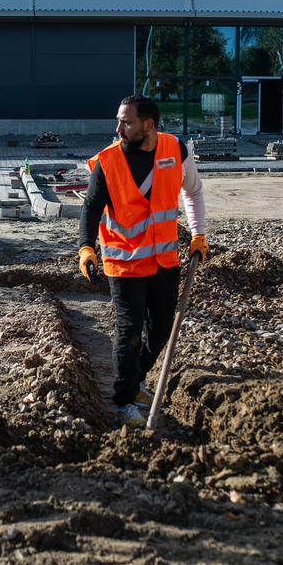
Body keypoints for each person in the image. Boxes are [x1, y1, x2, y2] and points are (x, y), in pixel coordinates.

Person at [78, 95, 207, 430]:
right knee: (129, 330)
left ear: (149, 125)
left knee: (162, 328)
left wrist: (198, 234)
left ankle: (136, 382)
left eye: (127, 122)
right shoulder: (108, 161)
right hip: (124, 261)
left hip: (164, 258)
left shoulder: (176, 150)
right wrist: (85, 248)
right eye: (119, 120)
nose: (118, 128)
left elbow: (193, 192)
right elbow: (91, 208)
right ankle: (124, 402)